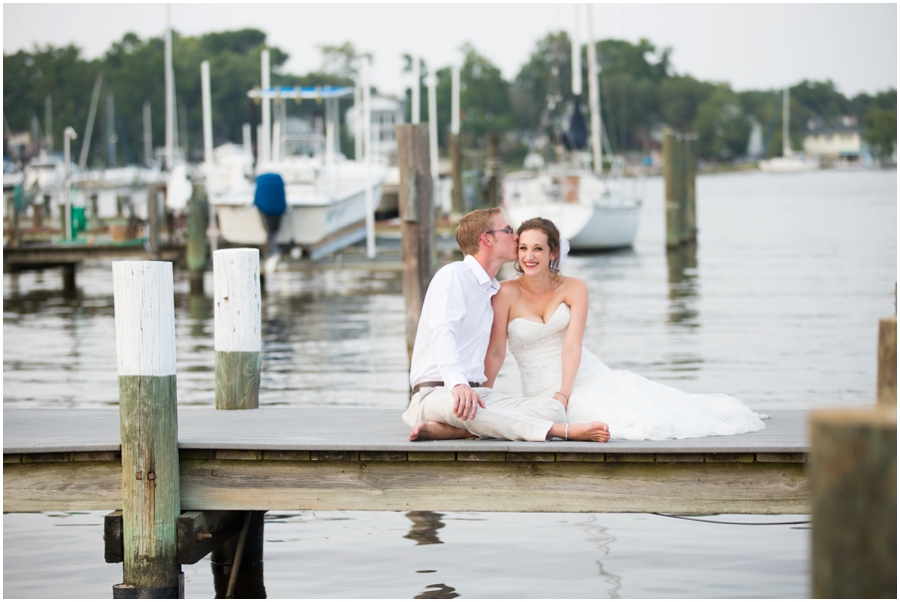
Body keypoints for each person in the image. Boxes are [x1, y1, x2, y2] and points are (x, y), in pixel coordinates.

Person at [485, 217, 766, 441]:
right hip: (538, 389)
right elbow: (497, 352)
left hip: (581, 378)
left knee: (641, 419)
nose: (529, 256)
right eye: (523, 248)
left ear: (553, 252)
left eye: (538, 248)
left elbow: (572, 346)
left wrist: (564, 394)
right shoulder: (505, 293)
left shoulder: (574, 288)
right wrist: (483, 396)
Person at [402, 208, 610, 443]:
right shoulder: (454, 275)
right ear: (487, 239)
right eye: (508, 230)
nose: (516, 237)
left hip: (476, 393)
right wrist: (458, 383)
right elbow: (443, 333)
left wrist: (478, 389)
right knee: (472, 409)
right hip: (436, 392)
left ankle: (454, 430)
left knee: (552, 408)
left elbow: (495, 352)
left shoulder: (491, 288)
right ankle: (560, 431)